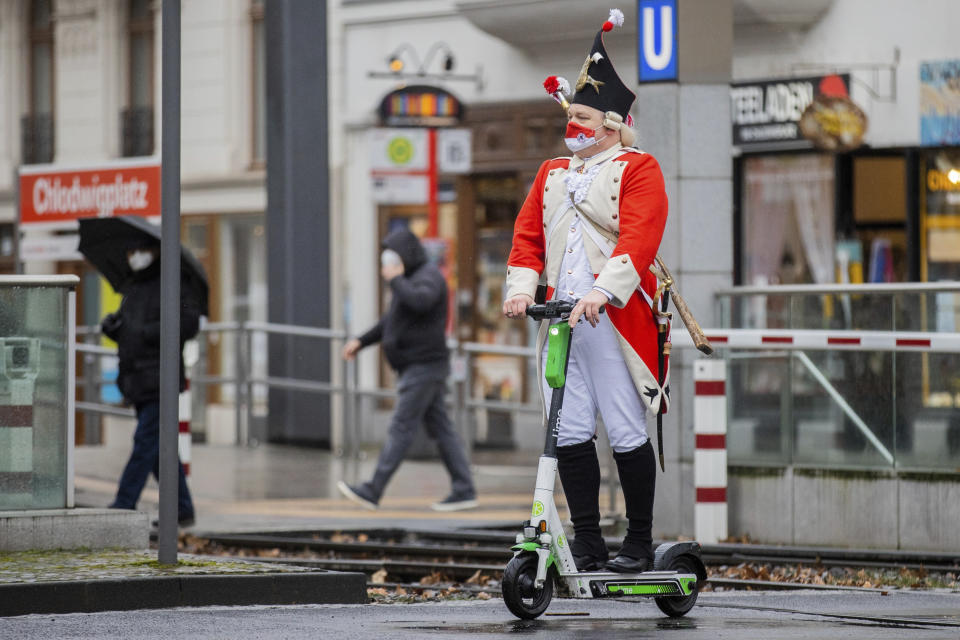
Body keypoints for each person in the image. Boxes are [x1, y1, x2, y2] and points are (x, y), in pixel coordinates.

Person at [502, 9, 670, 574]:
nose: (570, 122)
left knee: (624, 426)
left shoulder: (638, 168)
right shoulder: (551, 173)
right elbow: (527, 238)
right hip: (558, 319)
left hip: (611, 320)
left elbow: (639, 238)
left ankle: (640, 543)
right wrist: (522, 290)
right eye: (569, 112)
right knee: (567, 430)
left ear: (613, 123)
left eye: (581, 114)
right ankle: (589, 543)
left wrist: (604, 292)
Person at [338, 228, 477, 512]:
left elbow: (420, 301)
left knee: (401, 426)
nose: (388, 264)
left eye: (393, 256)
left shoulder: (428, 277)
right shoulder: (412, 279)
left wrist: (396, 279)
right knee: (442, 429)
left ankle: (373, 489)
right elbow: (390, 321)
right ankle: (464, 489)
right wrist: (360, 342)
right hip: (419, 367)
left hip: (424, 367)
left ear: (406, 255)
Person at [103, 239, 201, 527]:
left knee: (145, 442)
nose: (134, 256)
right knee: (159, 450)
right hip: (136, 379)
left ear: (156, 252)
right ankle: (182, 508)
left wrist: (145, 332)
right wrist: (112, 327)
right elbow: (126, 327)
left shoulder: (174, 281)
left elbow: (188, 324)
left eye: (139, 250)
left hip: (161, 378)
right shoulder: (133, 287)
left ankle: (124, 504)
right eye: (130, 251)